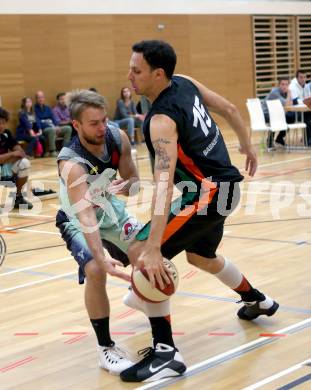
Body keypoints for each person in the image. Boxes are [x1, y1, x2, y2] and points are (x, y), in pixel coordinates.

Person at [117, 40, 279, 383]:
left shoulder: (161, 120)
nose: (129, 75)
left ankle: (166, 354)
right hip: (226, 188)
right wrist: (247, 146)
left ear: (158, 74)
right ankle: (257, 300)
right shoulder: (185, 81)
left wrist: (153, 246)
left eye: (136, 70)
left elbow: (162, 185)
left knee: (142, 253)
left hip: (209, 193)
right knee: (200, 257)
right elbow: (231, 109)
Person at [55, 89, 141, 375]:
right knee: (95, 269)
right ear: (76, 125)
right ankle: (105, 349)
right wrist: (101, 256)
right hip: (77, 218)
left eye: (104, 120)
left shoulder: (117, 138)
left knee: (150, 254)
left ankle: (155, 329)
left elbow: (134, 185)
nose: (102, 128)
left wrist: (117, 187)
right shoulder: (71, 163)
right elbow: (86, 214)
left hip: (109, 208)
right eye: (94, 123)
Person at [0, 107, 33, 209]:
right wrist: (12, 155)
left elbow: (20, 153)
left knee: (24, 163)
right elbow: (15, 154)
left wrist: (10, 156)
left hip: (4, 167)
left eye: (3, 122)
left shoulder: (7, 134)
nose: (1, 126)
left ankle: (18, 197)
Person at [34, 90, 72, 156]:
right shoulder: (34, 109)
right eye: (38, 97)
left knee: (68, 128)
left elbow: (53, 118)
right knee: (51, 130)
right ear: (36, 99)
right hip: (44, 129)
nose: (40, 99)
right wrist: (51, 126)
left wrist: (56, 126)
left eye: (42, 97)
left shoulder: (47, 108)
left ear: (44, 98)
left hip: (53, 126)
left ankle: (65, 150)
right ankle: (52, 151)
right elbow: (38, 121)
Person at [262, 77, 295, 148]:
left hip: (276, 113)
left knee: (291, 118)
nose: (284, 86)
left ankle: (279, 138)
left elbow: (291, 103)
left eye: (286, 84)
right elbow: (287, 104)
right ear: (279, 85)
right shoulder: (274, 92)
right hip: (266, 114)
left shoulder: (285, 93)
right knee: (276, 118)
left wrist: (288, 97)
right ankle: (269, 141)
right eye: (282, 84)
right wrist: (289, 93)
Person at [289, 70, 311, 145]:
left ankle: (307, 138)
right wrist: (306, 101)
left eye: (304, 77)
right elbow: (295, 101)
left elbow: (309, 98)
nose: (303, 79)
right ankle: (307, 140)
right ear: (297, 78)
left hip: (304, 110)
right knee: (307, 119)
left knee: (308, 117)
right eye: (301, 77)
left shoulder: (306, 85)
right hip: (293, 112)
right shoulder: (292, 86)